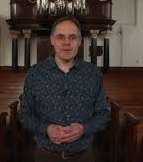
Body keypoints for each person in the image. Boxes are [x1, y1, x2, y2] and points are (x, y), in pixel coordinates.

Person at [19, 16, 111, 162]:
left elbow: (103, 114)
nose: (66, 42)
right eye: (60, 37)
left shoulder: (93, 73)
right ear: (52, 40)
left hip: (84, 155)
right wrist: (46, 129)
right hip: (46, 154)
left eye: (72, 37)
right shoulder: (35, 73)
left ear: (79, 41)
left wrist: (84, 129)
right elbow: (25, 114)